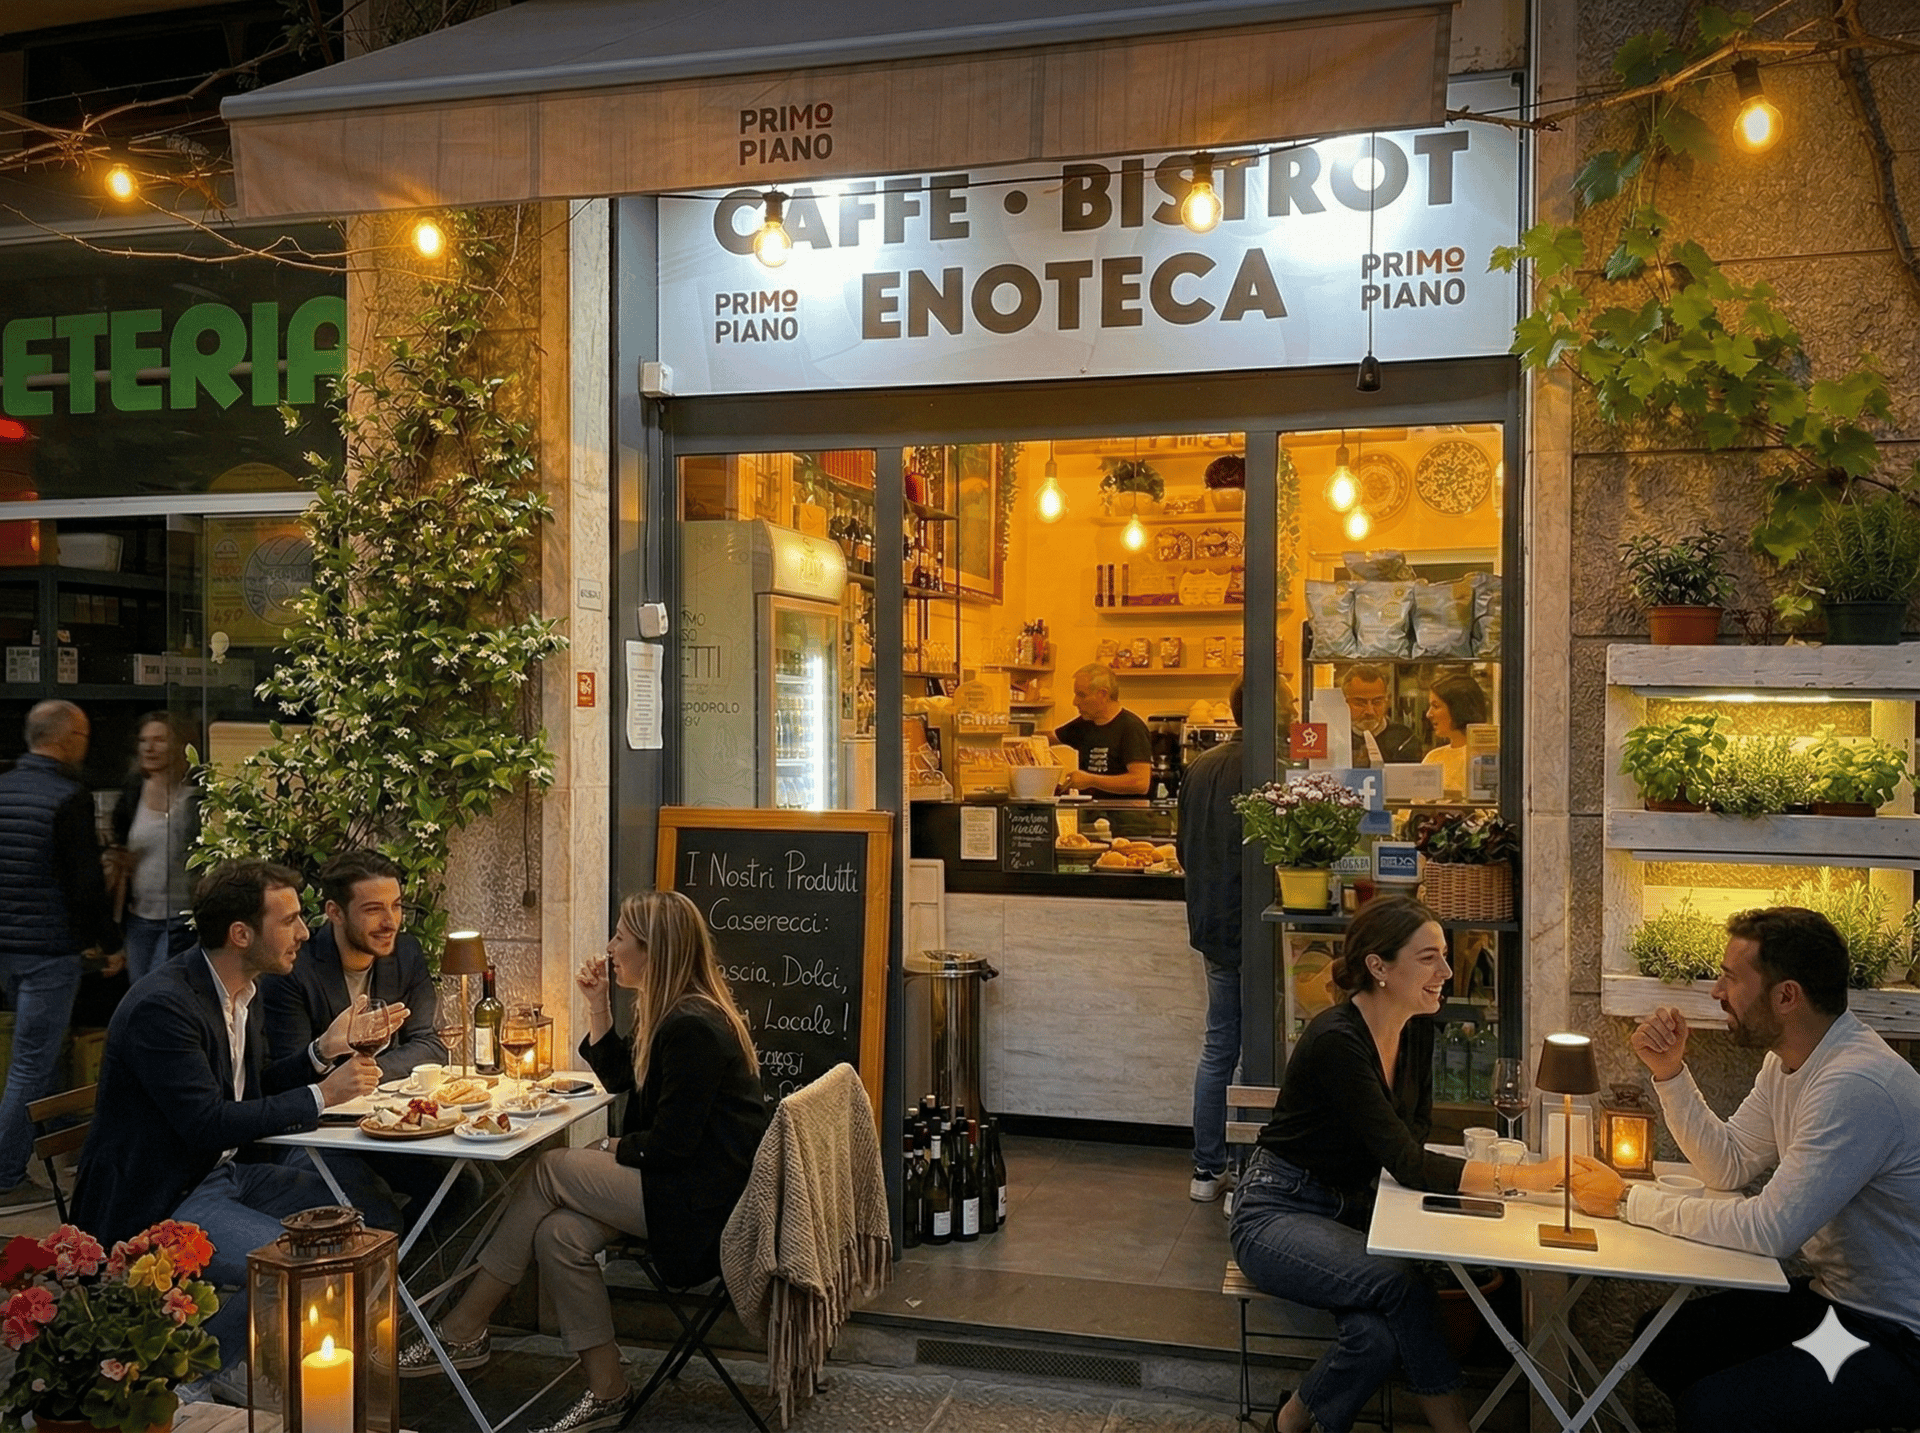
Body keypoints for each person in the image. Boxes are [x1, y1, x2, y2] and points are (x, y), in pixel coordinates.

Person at [398, 891, 769, 1433]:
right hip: (681, 1189)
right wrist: (599, 1005)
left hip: (703, 1210)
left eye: (621, 937)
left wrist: (613, 1148)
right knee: (559, 1235)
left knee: (549, 1168)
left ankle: (462, 1328)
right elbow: (621, 1081)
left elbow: (671, 1146)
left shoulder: (692, 1027)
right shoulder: (675, 1012)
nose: (610, 947)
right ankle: (608, 1390)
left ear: (654, 950)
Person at [1565, 906, 1920, 1433]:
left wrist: (1626, 1200)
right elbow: (1728, 1165)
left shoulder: (1855, 1085)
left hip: (1894, 1336)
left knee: (1714, 1411)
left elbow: (1771, 1230)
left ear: (1786, 996)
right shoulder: (1789, 1061)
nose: (1716, 991)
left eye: (1731, 978)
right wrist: (1669, 1073)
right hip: (1834, 1305)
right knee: (1666, 1342)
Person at [1230, 896, 1567, 1433]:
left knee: (1375, 1338)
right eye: (1429, 958)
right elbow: (1408, 1162)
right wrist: (1524, 1178)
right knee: (1404, 1285)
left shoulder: (1416, 1030)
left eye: (1444, 956)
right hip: (1275, 1212)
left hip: (1351, 1210)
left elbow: (1411, 1138)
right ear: (1379, 967)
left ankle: (1289, 1422)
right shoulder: (1337, 1041)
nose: (1447, 971)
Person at [69, 860, 397, 1380]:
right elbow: (206, 1123)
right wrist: (322, 1094)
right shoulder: (165, 1006)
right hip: (166, 1197)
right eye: (288, 920)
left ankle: (282, 1363)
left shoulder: (242, 990)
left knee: (367, 1214)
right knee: (295, 1268)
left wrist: (322, 1051)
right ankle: (186, 1379)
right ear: (241, 934)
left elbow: (252, 1091)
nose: (304, 932)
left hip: (223, 1175)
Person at [263, 849, 451, 1228]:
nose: (390, 922)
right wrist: (329, 1059)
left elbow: (431, 1046)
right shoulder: (294, 971)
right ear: (335, 912)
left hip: (385, 1125)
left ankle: (402, 1262)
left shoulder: (406, 953)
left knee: (461, 1187)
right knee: (379, 1216)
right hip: (316, 1135)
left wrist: (365, 1073)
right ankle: (386, 1260)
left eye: (396, 906)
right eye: (373, 910)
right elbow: (284, 1078)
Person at [0, 700, 122, 1212]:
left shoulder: (4, 788)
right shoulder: (68, 797)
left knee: (41, 1056)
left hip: (7, 949)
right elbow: (84, 884)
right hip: (49, 950)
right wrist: (109, 942)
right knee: (31, 1063)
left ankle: (60, 1145)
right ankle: (6, 1176)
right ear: (69, 738)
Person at [1179, 677, 1249, 1203]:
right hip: (1257, 925)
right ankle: (1248, 1173)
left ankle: (1207, 1170)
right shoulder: (1270, 765)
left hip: (1211, 924)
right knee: (1262, 1046)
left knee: (1220, 1043)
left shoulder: (1201, 767)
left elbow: (1182, 849)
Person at [107, 710, 202, 983]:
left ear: (180, 745)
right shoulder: (132, 791)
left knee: (161, 989)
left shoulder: (195, 796)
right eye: (143, 740)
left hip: (183, 918)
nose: (149, 748)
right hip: (140, 918)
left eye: (159, 740)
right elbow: (119, 844)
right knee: (139, 992)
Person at [1055, 663, 1151, 796]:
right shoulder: (1084, 724)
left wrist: (1091, 780)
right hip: (1090, 808)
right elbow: (1048, 738)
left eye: (1081, 695)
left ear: (1103, 694)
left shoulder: (1131, 727)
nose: (1075, 702)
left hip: (1123, 808)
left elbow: (1141, 782)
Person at [1422, 673, 1489, 797]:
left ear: (1458, 708)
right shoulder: (1433, 758)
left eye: (1436, 706)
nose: (1428, 714)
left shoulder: (1486, 757)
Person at [1341, 665, 1419, 767]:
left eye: (1377, 702)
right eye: (1360, 703)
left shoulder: (1405, 739)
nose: (1370, 711)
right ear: (1344, 703)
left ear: (1387, 701)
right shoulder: (1335, 738)